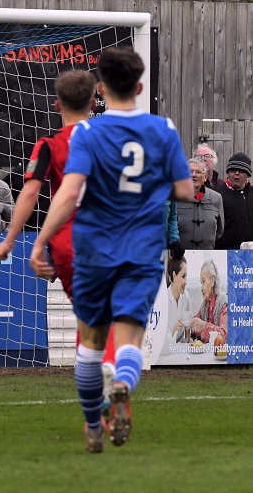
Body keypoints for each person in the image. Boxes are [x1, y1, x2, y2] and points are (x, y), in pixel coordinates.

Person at [28, 47, 194, 453]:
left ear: (100, 90)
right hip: (140, 250)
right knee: (130, 339)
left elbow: (68, 193)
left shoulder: (87, 133)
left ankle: (93, 427)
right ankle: (122, 382)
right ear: (139, 87)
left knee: (90, 342)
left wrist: (39, 241)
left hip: (93, 251)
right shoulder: (164, 129)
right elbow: (187, 191)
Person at [0, 69, 96, 300]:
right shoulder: (112, 140)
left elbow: (30, 191)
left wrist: (9, 241)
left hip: (70, 244)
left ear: (57, 105)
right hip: (111, 241)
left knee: (92, 322)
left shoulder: (50, 145)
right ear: (92, 103)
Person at [176, 156, 224, 250]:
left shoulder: (216, 198)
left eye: (198, 172)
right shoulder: (175, 197)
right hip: (179, 256)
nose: (193, 175)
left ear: (205, 177)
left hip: (207, 256)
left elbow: (219, 231)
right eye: (190, 171)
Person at [214, 152, 253, 250]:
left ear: (248, 174)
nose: (236, 173)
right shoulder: (218, 195)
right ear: (228, 173)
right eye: (232, 171)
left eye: (241, 171)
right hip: (226, 254)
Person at [188, 259, 228, 344]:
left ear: (212, 281)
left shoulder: (224, 302)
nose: (201, 288)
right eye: (201, 282)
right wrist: (192, 325)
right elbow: (196, 322)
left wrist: (204, 326)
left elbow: (224, 335)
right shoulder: (205, 304)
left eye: (204, 282)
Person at [165, 256, 192, 343]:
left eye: (186, 276)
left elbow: (188, 329)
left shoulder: (186, 295)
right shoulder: (164, 300)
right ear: (174, 275)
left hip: (182, 345)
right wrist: (174, 328)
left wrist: (186, 345)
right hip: (167, 347)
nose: (186, 282)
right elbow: (162, 339)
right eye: (183, 276)